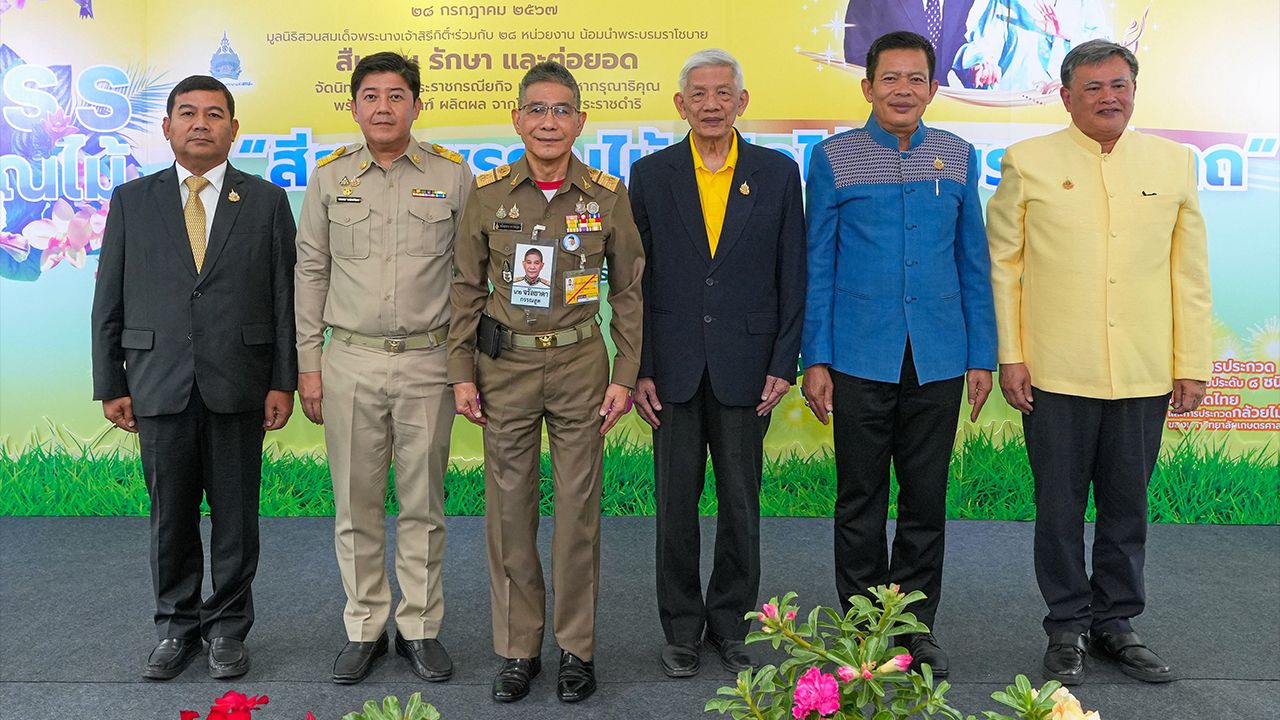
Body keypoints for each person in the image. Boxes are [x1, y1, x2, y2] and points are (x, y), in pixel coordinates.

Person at [986, 39, 1210, 686]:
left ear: (1135, 89)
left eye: (1119, 84)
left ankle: (1116, 624)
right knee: (1058, 509)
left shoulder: (1172, 163)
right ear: (1066, 96)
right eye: (1093, 87)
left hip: (1142, 369)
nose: (1109, 96)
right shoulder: (1028, 162)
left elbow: (1188, 272)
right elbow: (1005, 267)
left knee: (1126, 506)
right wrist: (1010, 356)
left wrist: (1189, 360)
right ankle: (1065, 628)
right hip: (1054, 371)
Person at [801, 31, 997, 679]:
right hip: (859, 356)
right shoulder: (834, 159)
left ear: (934, 89)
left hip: (940, 357)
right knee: (858, 497)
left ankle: (913, 629)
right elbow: (818, 265)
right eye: (891, 78)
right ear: (868, 86)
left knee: (924, 499)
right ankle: (863, 631)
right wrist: (817, 359)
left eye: (916, 79)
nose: (903, 90)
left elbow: (974, 261)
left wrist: (981, 356)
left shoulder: (959, 156)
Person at [448, 60, 644, 704]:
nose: (549, 121)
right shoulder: (490, 192)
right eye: (537, 109)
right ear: (517, 118)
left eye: (562, 110)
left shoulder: (607, 195)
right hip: (503, 369)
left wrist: (625, 373)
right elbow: (466, 288)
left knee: (577, 517)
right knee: (509, 515)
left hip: (581, 367)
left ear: (581, 121)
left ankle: (576, 650)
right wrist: (460, 373)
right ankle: (517, 649)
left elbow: (632, 290)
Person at [91, 74, 296, 681]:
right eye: (188, 113)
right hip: (156, 382)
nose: (200, 123)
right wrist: (111, 382)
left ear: (235, 129)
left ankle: (228, 628)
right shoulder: (133, 200)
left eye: (214, 114)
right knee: (170, 515)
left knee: (236, 515)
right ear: (168, 127)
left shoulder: (265, 200)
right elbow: (109, 298)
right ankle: (176, 626)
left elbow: (284, 298)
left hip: (240, 381)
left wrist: (282, 379)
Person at [294, 52, 472, 685]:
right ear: (354, 107)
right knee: (356, 502)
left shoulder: (454, 177)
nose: (383, 108)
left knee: (424, 504)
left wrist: (462, 365)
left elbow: (468, 277)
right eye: (370, 96)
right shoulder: (328, 177)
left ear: (416, 106)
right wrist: (308, 365)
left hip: (428, 359)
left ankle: (420, 628)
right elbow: (310, 270)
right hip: (350, 361)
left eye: (397, 96)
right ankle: (365, 626)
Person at [628, 49, 805, 678]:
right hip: (670, 369)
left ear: (741, 101)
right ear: (680, 104)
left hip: (748, 366)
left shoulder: (779, 173)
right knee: (675, 505)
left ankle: (732, 624)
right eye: (697, 94)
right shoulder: (649, 175)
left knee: (740, 502)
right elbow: (634, 284)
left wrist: (784, 362)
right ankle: (680, 628)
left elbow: (793, 274)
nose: (710, 104)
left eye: (722, 93)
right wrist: (640, 366)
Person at [953, 0, 1111, 91]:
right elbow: (985, 42)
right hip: (1014, 102)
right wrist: (982, 64)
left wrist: (1065, 32)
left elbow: (1104, 51)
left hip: (1064, 106)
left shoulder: (1086, 3)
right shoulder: (1008, 2)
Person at [844, 0, 976, 85]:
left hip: (941, 102)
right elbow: (858, 52)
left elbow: (953, 40)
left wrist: (971, 67)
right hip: (889, 104)